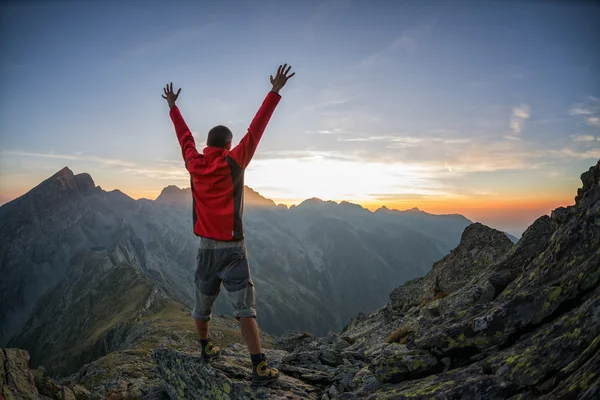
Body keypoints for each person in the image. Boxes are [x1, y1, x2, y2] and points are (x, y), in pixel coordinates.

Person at [162, 64, 295, 386]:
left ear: (208, 144)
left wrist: (173, 108)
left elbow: (184, 138)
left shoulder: (194, 163)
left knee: (202, 303)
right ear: (228, 144)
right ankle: (259, 367)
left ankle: (206, 349)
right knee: (244, 308)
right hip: (234, 247)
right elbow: (256, 129)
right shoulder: (234, 161)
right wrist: (274, 91)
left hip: (205, 247)